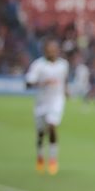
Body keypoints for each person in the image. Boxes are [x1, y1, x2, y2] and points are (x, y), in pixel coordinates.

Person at [25, 38, 69, 175]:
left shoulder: (63, 64)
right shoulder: (38, 65)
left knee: (52, 126)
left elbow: (64, 80)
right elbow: (28, 84)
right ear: (45, 51)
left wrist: (66, 90)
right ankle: (40, 157)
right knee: (40, 133)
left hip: (57, 101)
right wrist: (42, 83)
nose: (53, 52)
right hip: (41, 103)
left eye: (55, 49)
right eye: (50, 50)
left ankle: (52, 160)